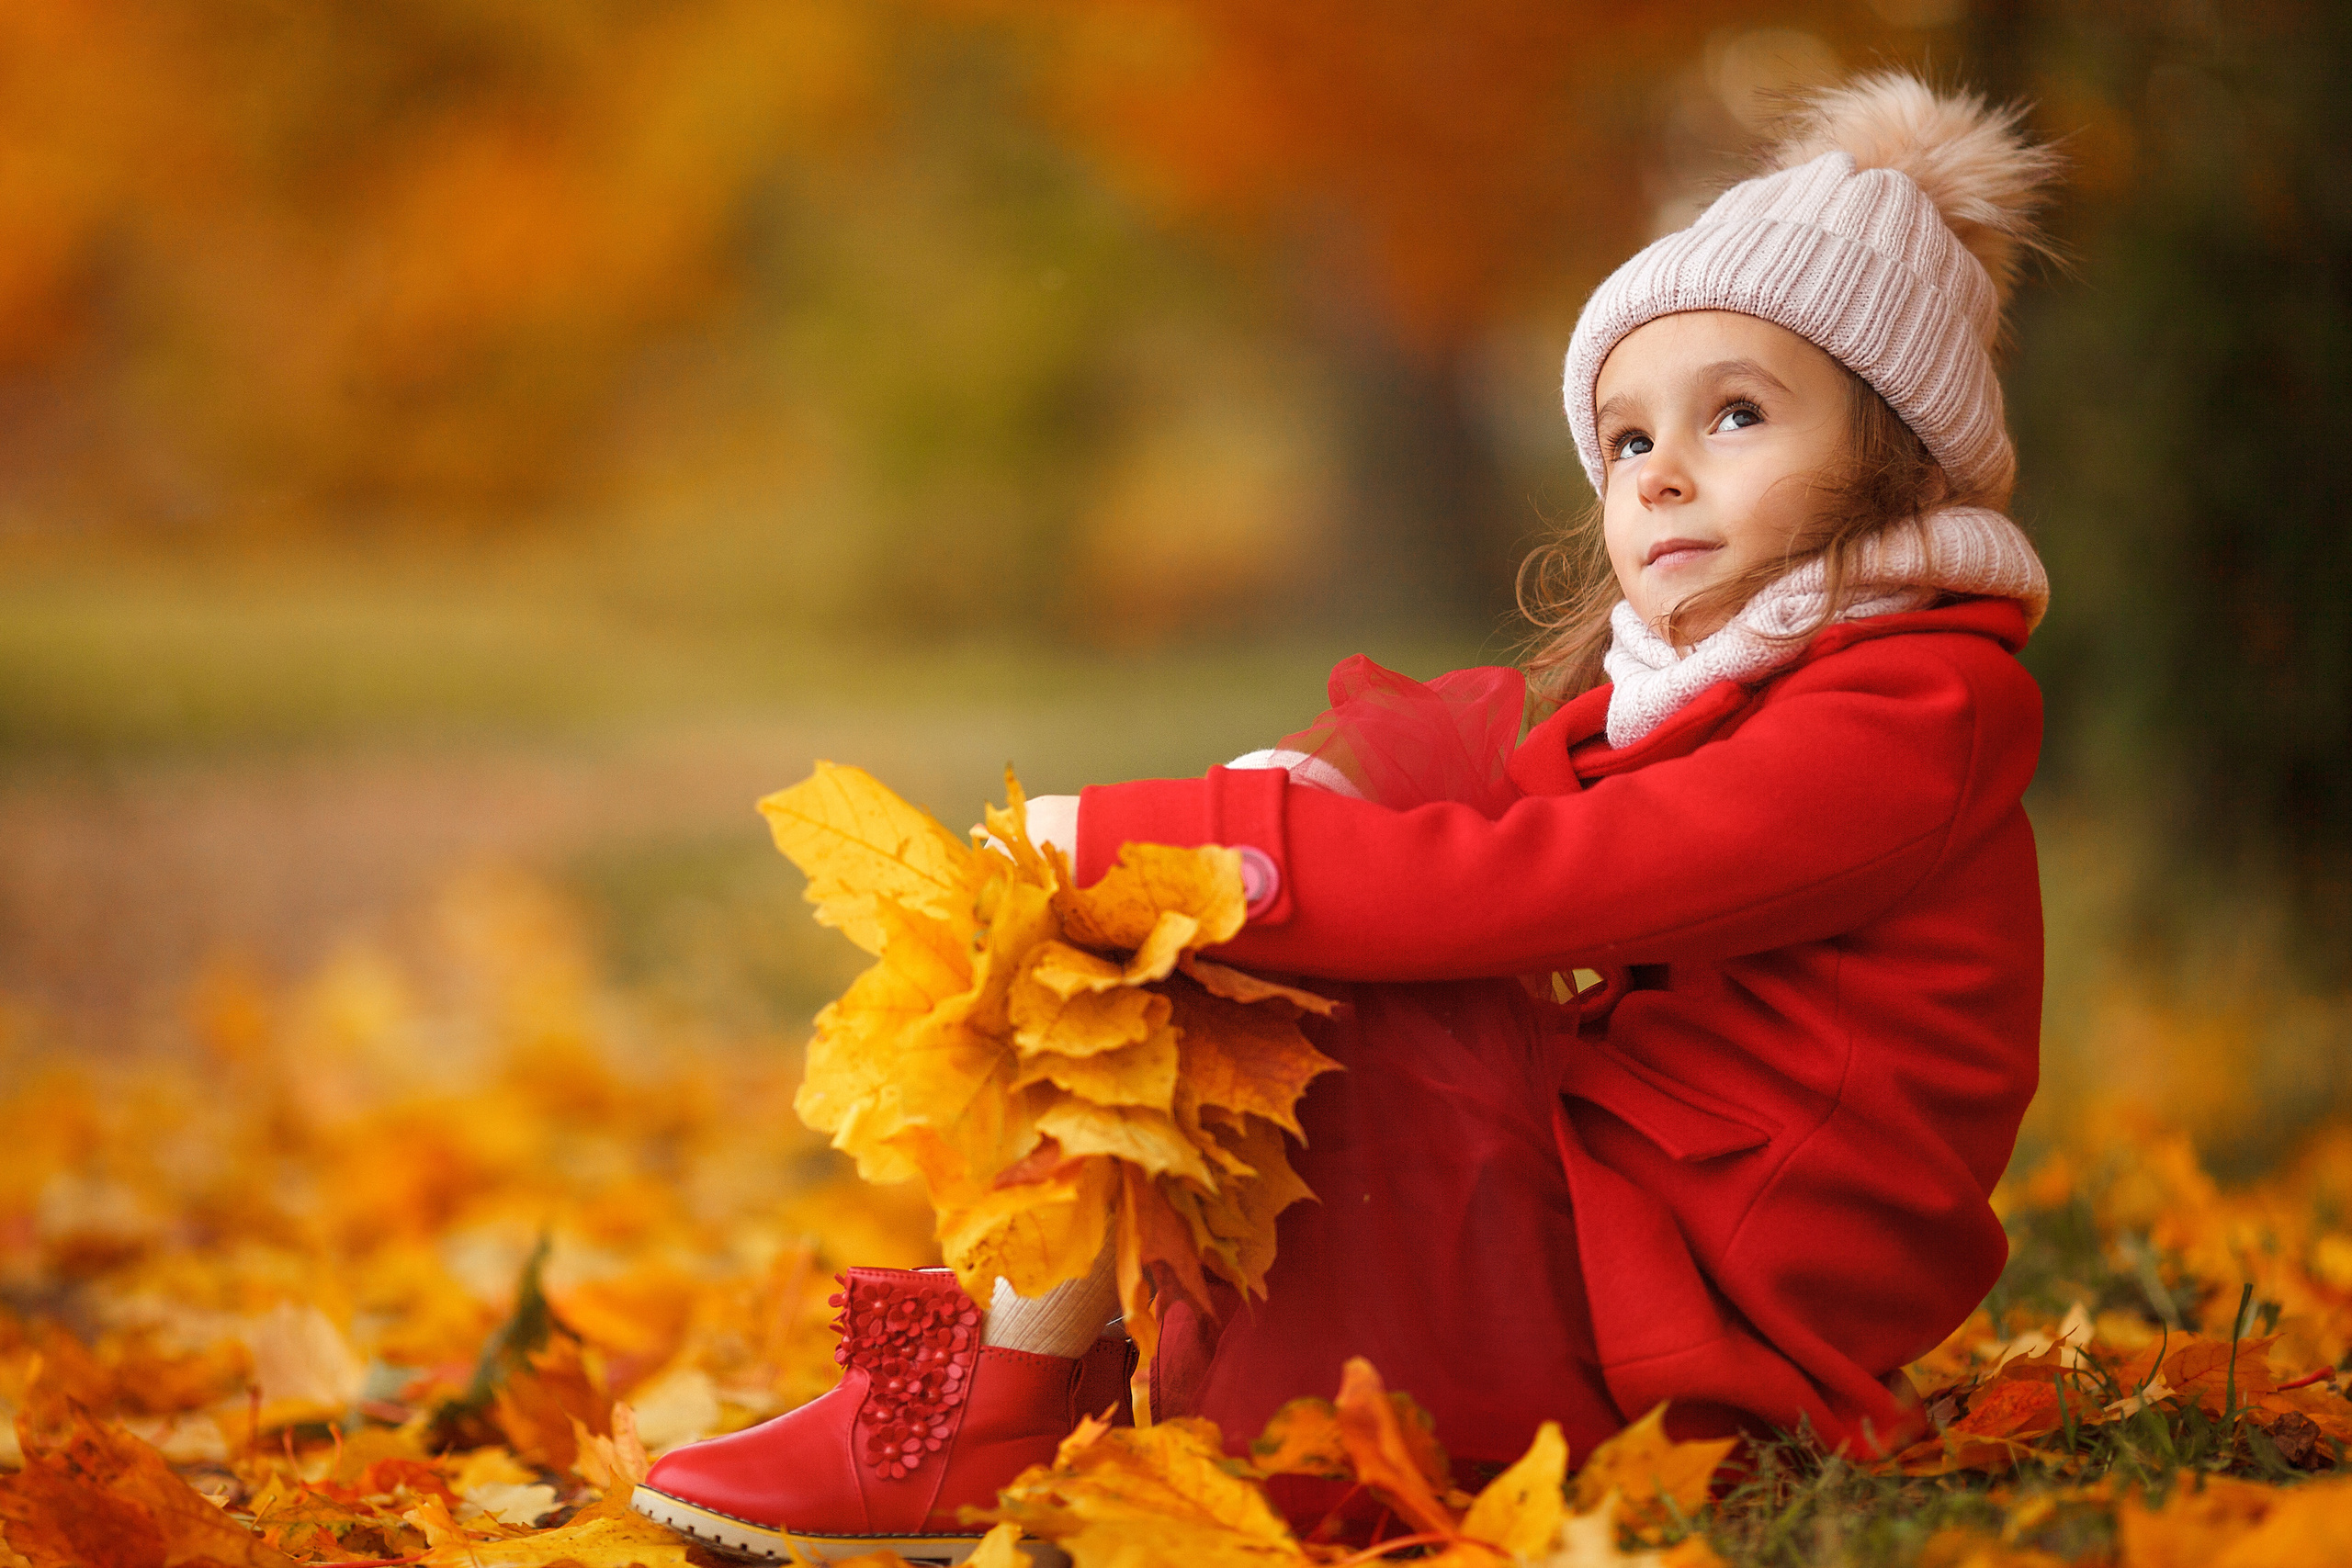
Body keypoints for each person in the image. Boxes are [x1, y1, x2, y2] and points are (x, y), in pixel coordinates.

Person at [634, 70, 2062, 1562]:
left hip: (1701, 1307)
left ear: (1894, 457)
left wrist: (1168, 858)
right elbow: (1475, 807)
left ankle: (992, 1408)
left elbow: (1544, 883)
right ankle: (1011, 1385)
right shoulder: (1740, 687)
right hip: (1638, 1220)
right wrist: (1280, 796)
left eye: (1740, 414)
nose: (1666, 475)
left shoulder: (1909, 712)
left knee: (1265, 951)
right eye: (1629, 442)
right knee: (1342, 820)